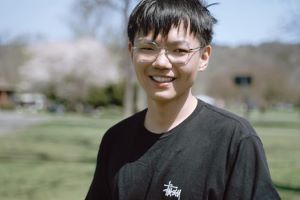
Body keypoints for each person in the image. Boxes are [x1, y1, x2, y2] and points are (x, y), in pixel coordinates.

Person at [85, 0, 280, 199]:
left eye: (179, 50)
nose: (161, 62)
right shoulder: (115, 140)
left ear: (204, 57)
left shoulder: (234, 140)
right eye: (147, 48)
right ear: (131, 51)